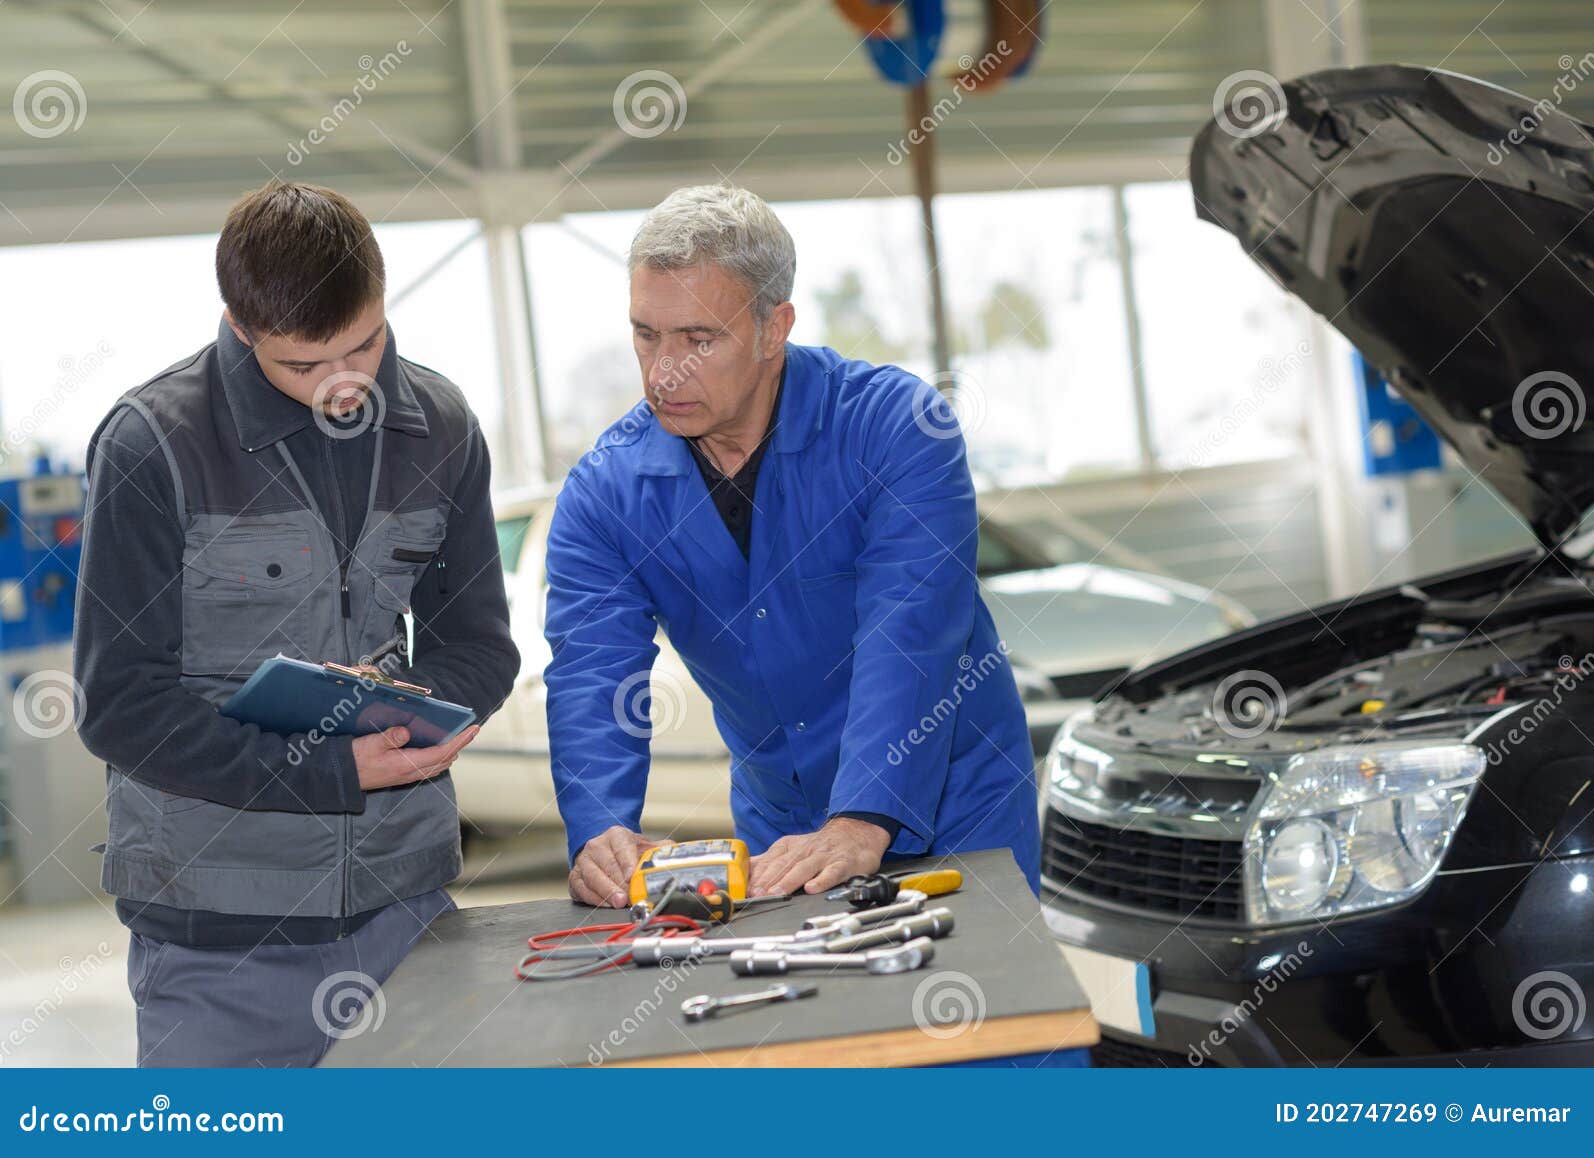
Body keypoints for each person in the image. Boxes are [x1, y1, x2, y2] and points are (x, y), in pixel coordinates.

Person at [72, 181, 519, 1066]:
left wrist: (416, 719)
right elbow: (119, 704)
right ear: (240, 326)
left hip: (407, 916)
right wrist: (327, 765)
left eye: (365, 344)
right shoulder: (150, 444)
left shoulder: (444, 428)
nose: (344, 385)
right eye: (304, 366)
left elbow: (479, 645)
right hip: (217, 941)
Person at [544, 184, 1039, 907]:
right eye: (647, 334)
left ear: (774, 329)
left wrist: (863, 814)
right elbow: (592, 667)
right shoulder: (605, 491)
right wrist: (600, 827)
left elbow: (909, 632)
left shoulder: (896, 430)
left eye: (699, 339)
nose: (662, 373)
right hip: (780, 824)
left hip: (955, 804)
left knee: (985, 1009)